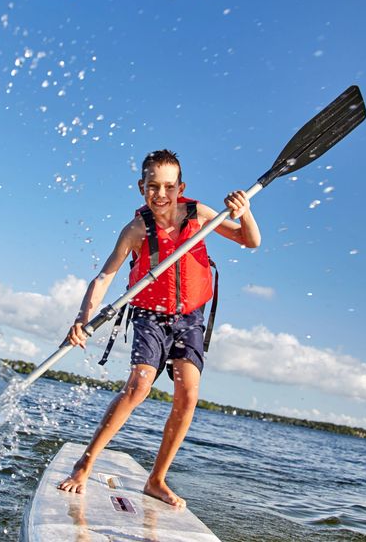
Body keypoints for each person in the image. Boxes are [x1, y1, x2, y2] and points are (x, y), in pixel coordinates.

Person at [58, 149, 261, 508]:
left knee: (189, 395)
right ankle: (84, 463)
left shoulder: (198, 214)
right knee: (138, 386)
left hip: (190, 318)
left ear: (181, 187)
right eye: (153, 186)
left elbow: (250, 240)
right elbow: (105, 277)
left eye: (169, 187)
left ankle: (156, 479)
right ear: (141, 187)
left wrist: (245, 213)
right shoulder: (135, 230)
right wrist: (81, 318)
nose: (161, 195)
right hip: (150, 315)